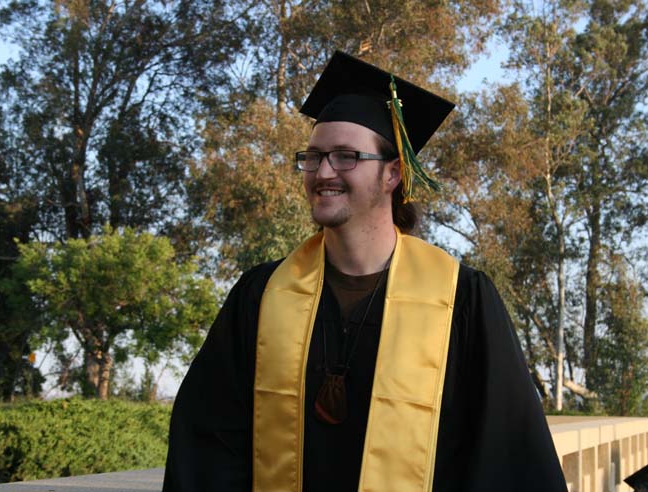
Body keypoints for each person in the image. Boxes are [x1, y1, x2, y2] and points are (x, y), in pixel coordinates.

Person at [162, 51, 567, 492]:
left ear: (393, 173)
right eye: (313, 157)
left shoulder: (461, 299)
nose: (323, 172)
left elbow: (505, 453)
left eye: (345, 156)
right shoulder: (261, 295)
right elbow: (209, 445)